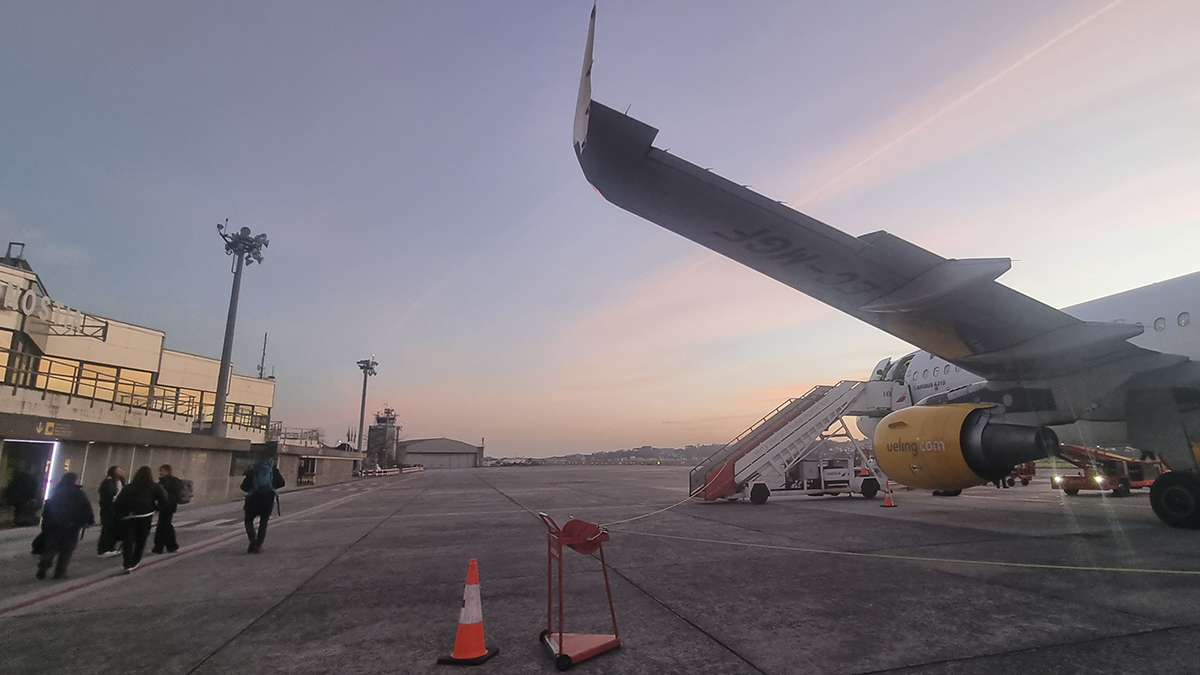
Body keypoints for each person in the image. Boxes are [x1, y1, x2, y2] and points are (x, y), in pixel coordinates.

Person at [36, 473, 95, 580]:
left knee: (51, 547)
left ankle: (44, 566)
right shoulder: (78, 493)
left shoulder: (57, 491)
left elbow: (49, 507)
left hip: (55, 524)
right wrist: (88, 520)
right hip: (72, 525)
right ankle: (60, 572)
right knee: (67, 550)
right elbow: (85, 507)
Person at [113, 466, 168, 573]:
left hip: (129, 517)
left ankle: (127, 563)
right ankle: (135, 561)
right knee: (140, 541)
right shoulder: (154, 487)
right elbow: (164, 500)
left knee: (128, 540)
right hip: (145, 516)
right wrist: (156, 508)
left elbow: (117, 504)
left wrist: (121, 514)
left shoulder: (129, 487)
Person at [241, 457, 284, 554]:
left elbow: (243, 486)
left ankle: (252, 539)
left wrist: (253, 489)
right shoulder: (273, 471)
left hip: (253, 499)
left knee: (248, 521)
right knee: (263, 523)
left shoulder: (254, 471)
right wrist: (271, 487)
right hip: (267, 499)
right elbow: (282, 483)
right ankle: (259, 544)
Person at [152, 464, 184, 554]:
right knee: (166, 526)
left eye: (162, 471)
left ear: (167, 471)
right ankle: (171, 546)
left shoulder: (171, 481)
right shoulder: (163, 481)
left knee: (162, 526)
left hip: (168, 506)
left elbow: (173, 495)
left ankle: (159, 547)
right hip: (165, 506)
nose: (161, 473)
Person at [96, 466, 125, 556]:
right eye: (118, 470)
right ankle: (103, 549)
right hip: (109, 508)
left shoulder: (120, 481)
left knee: (114, 529)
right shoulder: (108, 482)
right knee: (107, 528)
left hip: (117, 508)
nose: (121, 472)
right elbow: (108, 495)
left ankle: (111, 547)